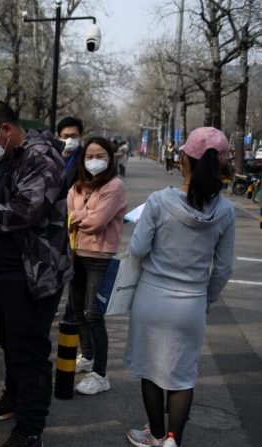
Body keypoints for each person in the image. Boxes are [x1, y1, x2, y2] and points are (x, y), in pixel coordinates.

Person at [0, 100, 71, 447]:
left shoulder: (41, 158)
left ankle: (30, 428)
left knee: (29, 349)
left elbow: (27, 210)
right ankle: (14, 396)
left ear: (6, 129)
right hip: (7, 272)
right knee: (9, 339)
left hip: (33, 274)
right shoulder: (8, 158)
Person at [125, 127, 234, 447]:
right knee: (182, 375)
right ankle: (174, 439)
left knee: (150, 369)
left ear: (185, 160)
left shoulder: (159, 201)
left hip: (152, 299)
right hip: (191, 305)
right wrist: (206, 301)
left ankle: (156, 435)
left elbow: (138, 249)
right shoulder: (225, 211)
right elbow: (224, 269)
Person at [66, 137, 126, 396]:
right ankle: (87, 356)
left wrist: (78, 218)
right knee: (78, 310)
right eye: (90, 155)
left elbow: (98, 222)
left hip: (100, 256)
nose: (94, 160)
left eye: (100, 155)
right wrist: (80, 217)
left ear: (110, 158)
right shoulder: (78, 186)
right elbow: (66, 215)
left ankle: (101, 374)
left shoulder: (115, 186)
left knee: (94, 314)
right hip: (75, 254)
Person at [57, 116, 84, 191]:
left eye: (73, 136)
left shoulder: (85, 157)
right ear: (59, 137)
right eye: (65, 136)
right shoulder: (52, 155)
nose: (69, 139)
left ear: (80, 136)